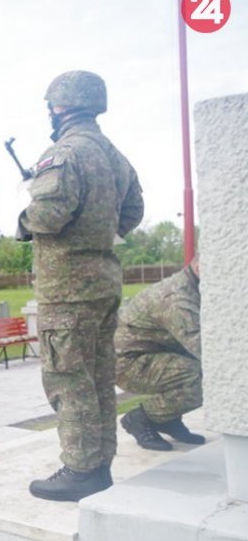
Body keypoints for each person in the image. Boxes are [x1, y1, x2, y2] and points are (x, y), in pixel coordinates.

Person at [18, 70, 144, 502]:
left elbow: (49, 216)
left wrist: (24, 219)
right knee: (98, 376)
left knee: (68, 377)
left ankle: (81, 467)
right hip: (104, 283)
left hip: (67, 289)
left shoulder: (64, 153)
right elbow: (133, 213)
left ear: (60, 107)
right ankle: (100, 462)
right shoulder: (113, 155)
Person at [117, 256, 203, 451]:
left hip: (152, 355)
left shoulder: (192, 286)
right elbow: (203, 348)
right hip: (130, 364)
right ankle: (140, 418)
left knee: (196, 370)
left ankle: (167, 419)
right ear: (200, 267)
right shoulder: (178, 299)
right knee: (202, 377)